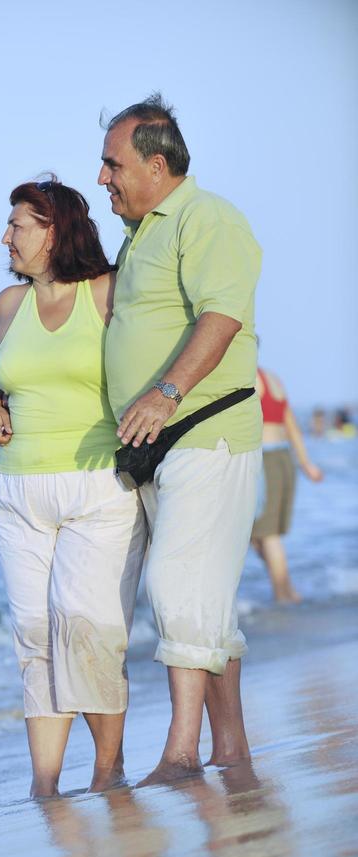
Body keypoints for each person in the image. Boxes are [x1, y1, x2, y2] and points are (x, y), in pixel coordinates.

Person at [99, 94, 263, 784]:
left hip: (207, 428)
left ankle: (180, 754)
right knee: (203, 601)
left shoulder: (206, 217)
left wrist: (164, 394)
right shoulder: (138, 237)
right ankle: (231, 748)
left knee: (175, 586)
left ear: (157, 163)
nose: (103, 178)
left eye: (113, 165)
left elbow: (222, 316)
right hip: (157, 446)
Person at [0, 178, 146, 798]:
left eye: (17, 225)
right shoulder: (6, 304)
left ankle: (109, 772)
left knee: (88, 629)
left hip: (98, 486)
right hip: (18, 491)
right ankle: (45, 787)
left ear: (53, 230)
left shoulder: (106, 293)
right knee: (34, 636)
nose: (6, 236)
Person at [252, 367, 323, 602]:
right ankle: (288, 591)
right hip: (283, 459)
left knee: (267, 535)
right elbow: (291, 426)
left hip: (264, 462)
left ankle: (282, 595)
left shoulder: (249, 377)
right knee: (260, 534)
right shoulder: (274, 380)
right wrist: (306, 464)